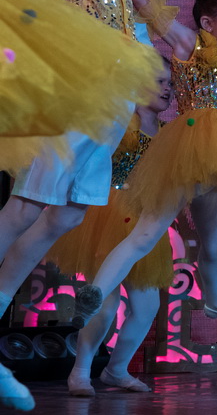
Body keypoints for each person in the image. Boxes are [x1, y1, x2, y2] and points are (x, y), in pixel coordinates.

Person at [0, 0, 163, 411]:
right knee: (26, 207)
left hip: (108, 116)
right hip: (71, 106)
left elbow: (136, 43)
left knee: (67, 214)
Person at [71, 0, 217, 328]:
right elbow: (145, 3)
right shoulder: (188, 43)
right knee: (147, 232)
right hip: (192, 149)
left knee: (214, 242)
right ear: (208, 24)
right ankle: (95, 292)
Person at [45, 61, 176, 396]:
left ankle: (116, 370)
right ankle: (80, 371)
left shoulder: (169, 131)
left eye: (170, 83)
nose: (168, 89)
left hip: (144, 221)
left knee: (147, 308)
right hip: (108, 216)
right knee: (103, 304)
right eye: (160, 81)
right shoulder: (121, 120)